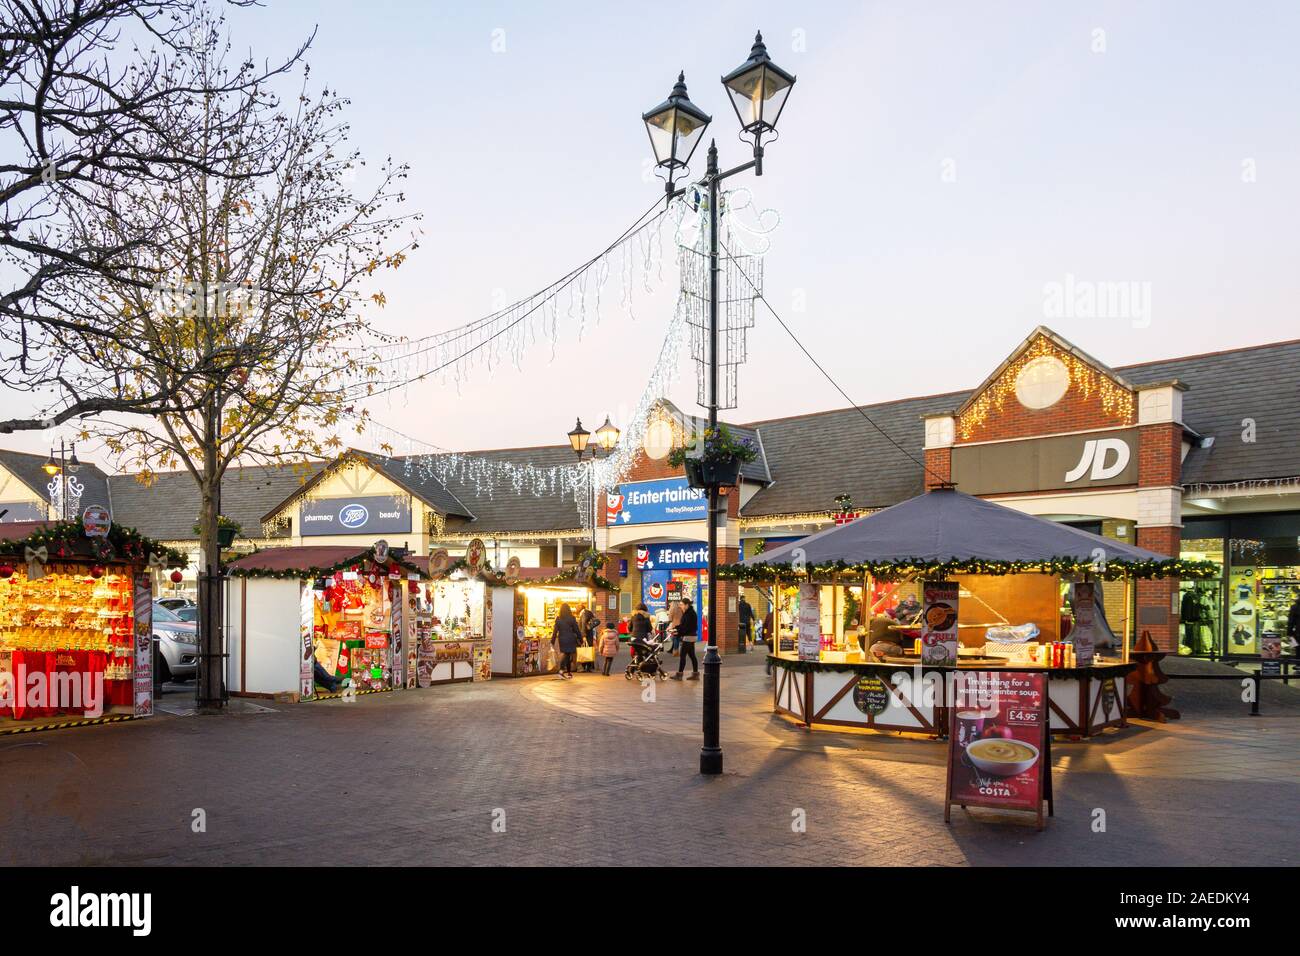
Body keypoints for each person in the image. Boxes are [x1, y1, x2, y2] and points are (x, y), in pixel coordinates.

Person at [670, 596, 699, 680]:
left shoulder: (690, 614)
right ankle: (695, 674)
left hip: (689, 637)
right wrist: (675, 628)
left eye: (682, 604)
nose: (680, 606)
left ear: (687, 605)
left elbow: (687, 627)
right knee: (692, 655)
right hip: (690, 636)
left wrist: (678, 632)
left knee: (683, 655)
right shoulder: (687, 613)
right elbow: (683, 625)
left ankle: (679, 674)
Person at [552, 603, 582, 679]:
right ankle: (561, 670)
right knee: (566, 654)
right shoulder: (572, 618)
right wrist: (580, 639)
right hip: (570, 638)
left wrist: (552, 640)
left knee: (567, 654)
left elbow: (555, 631)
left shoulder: (558, 619)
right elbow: (577, 630)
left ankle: (568, 673)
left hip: (562, 639)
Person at [577, 607, 598, 672]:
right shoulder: (588, 612)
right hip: (589, 635)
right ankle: (589, 667)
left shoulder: (584, 614)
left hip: (587, 636)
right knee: (589, 650)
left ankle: (585, 667)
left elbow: (583, 625)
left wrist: (583, 636)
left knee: (585, 650)